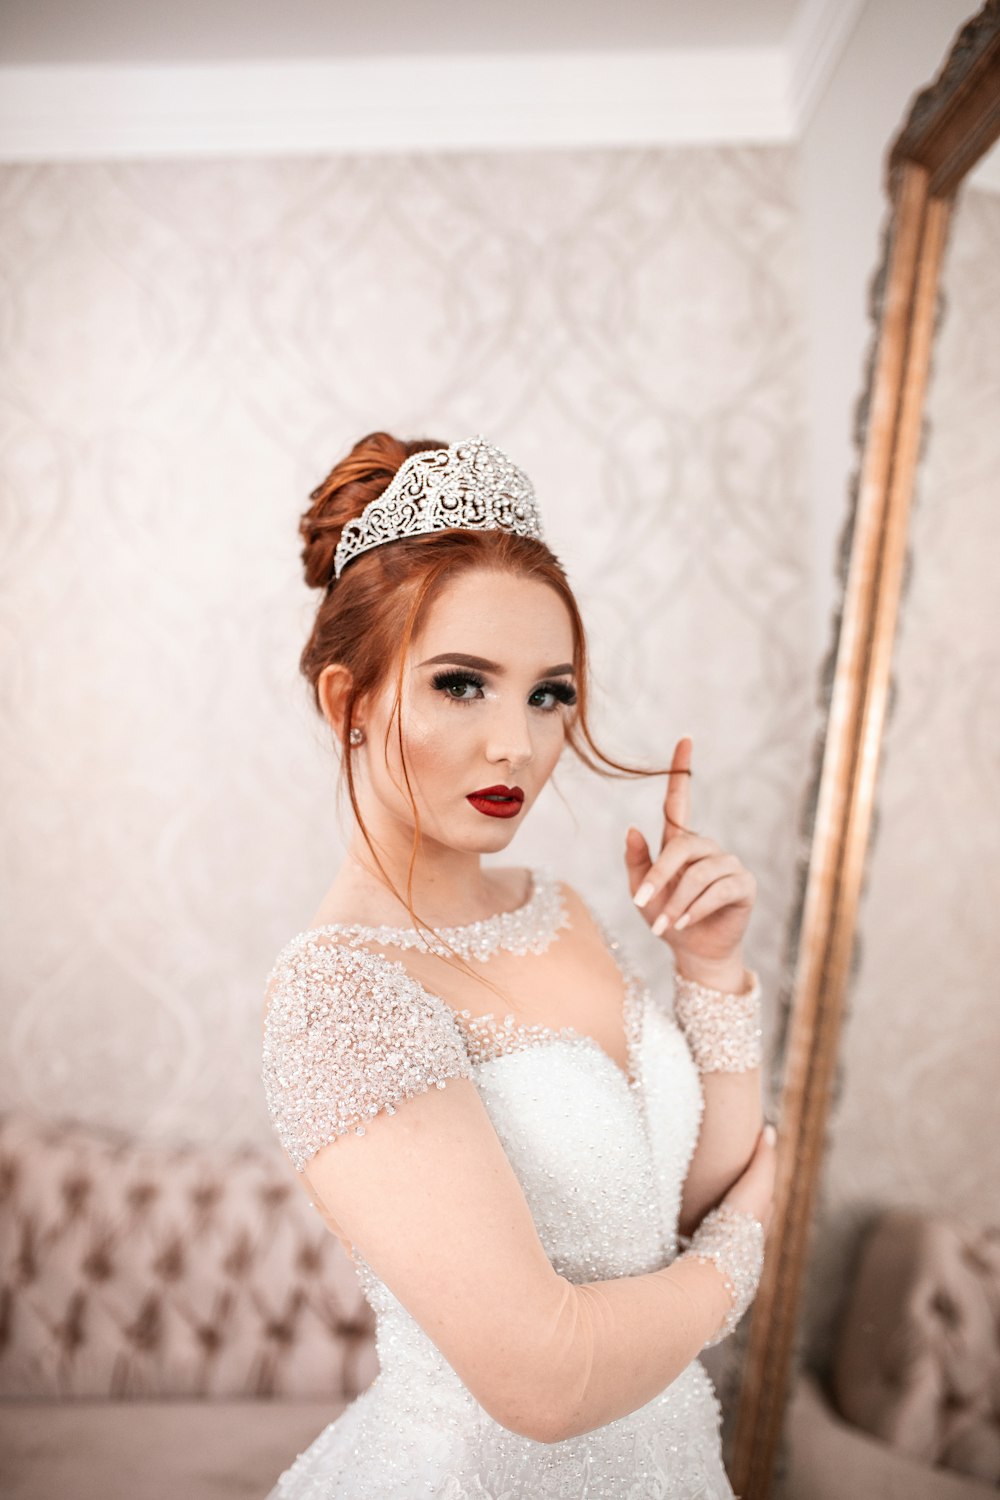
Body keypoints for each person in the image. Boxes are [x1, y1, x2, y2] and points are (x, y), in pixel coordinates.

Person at [260, 432, 778, 1499]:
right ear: (347, 702)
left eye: (549, 694)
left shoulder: (562, 909)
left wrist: (709, 970)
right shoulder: (341, 995)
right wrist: (738, 1266)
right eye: (462, 685)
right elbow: (542, 1382)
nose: (518, 745)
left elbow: (682, 1206)